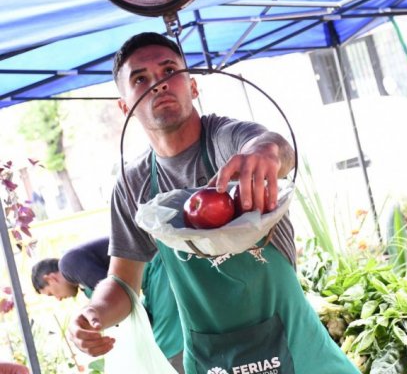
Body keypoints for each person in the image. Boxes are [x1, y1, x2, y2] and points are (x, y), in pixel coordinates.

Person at [67, 32, 359, 373]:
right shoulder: (133, 184)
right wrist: (95, 314)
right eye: (140, 79)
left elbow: (271, 145)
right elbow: (122, 282)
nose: (158, 84)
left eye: (169, 71)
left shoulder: (227, 140)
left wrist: (265, 153)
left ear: (192, 86)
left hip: (297, 347)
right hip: (211, 360)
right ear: (125, 106)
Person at [32, 237, 184, 373]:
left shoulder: (67, 264)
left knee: (166, 342)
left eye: (51, 294)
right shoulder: (82, 283)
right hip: (152, 276)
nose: (58, 299)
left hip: (158, 264)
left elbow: (120, 292)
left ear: (50, 279)